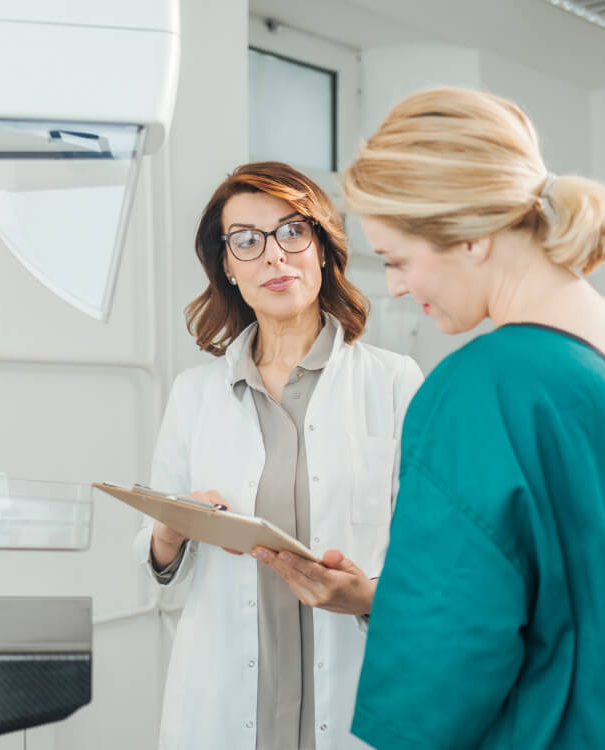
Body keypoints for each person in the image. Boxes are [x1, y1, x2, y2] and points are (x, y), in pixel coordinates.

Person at [257, 87, 605, 749]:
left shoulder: (485, 389)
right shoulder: (587, 367)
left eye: (396, 259)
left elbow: (445, 657)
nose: (391, 286)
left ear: (472, 238)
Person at [134, 161, 423, 750]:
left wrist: (366, 596)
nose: (273, 255)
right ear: (228, 268)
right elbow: (159, 562)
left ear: (322, 249)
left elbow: (431, 555)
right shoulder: (195, 394)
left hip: (352, 693)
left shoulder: (393, 382)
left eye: (293, 232)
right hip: (228, 699)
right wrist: (170, 527)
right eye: (246, 240)